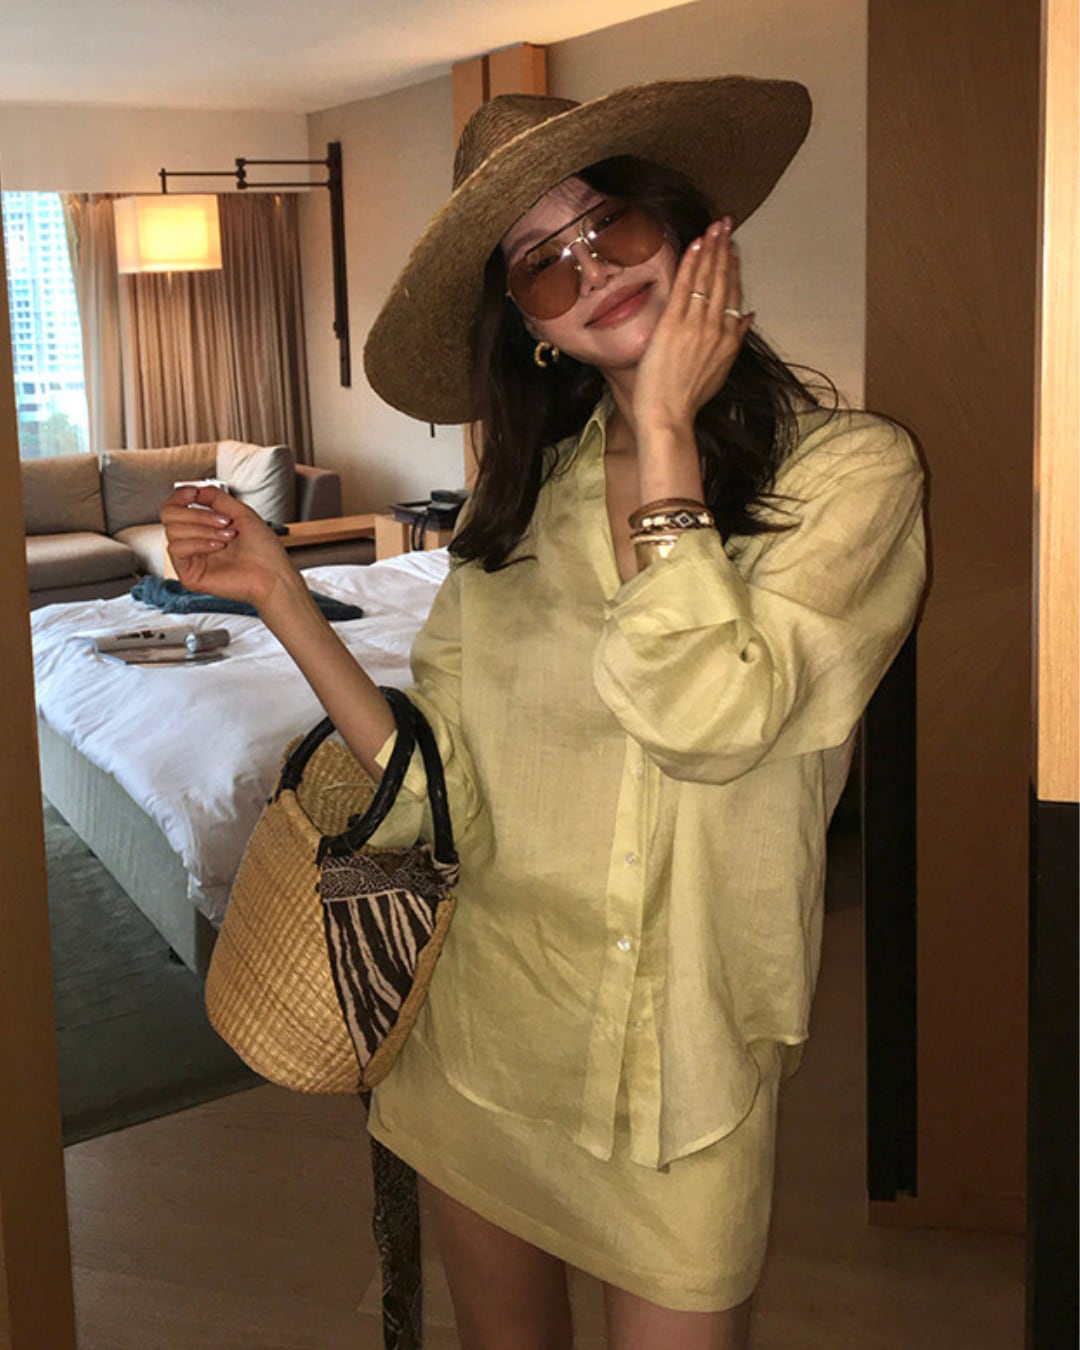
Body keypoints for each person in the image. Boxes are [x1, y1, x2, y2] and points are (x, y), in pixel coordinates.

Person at [162, 78, 925, 1350]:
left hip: (680, 1066)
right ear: (531, 327)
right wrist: (280, 596)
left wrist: (665, 432)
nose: (593, 270)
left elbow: (711, 725)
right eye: (543, 264)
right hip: (480, 1029)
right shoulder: (519, 505)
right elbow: (434, 781)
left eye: (611, 223)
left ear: (689, 230)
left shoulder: (849, 475)